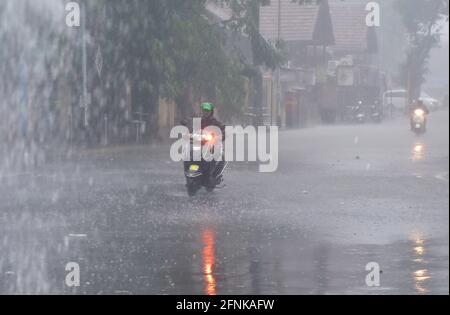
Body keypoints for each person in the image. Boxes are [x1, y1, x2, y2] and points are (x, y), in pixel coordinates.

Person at [200, 102, 227, 185]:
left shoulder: (214, 122)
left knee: (221, 157)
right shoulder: (199, 121)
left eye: (207, 110)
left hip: (212, 145)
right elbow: (192, 129)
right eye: (204, 110)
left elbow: (222, 129)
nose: (205, 112)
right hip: (200, 144)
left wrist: (220, 134)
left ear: (211, 111)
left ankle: (214, 176)